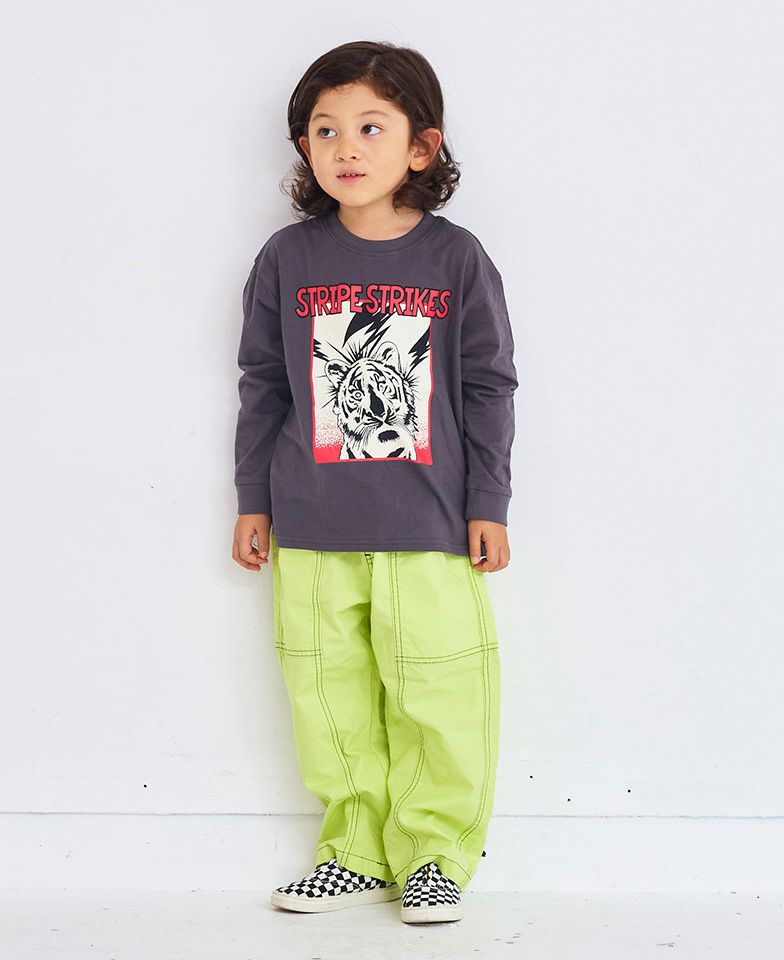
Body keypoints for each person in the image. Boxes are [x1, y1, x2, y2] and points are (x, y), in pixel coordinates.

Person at [231, 40, 518, 925]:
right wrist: (252, 499)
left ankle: (434, 855)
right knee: (329, 695)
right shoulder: (288, 258)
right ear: (304, 148)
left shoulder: (456, 259)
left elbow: (488, 385)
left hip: (431, 527)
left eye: (370, 128)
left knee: (439, 691)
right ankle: (353, 852)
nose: (346, 148)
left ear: (422, 147)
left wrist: (489, 503)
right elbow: (264, 384)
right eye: (325, 131)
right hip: (311, 525)